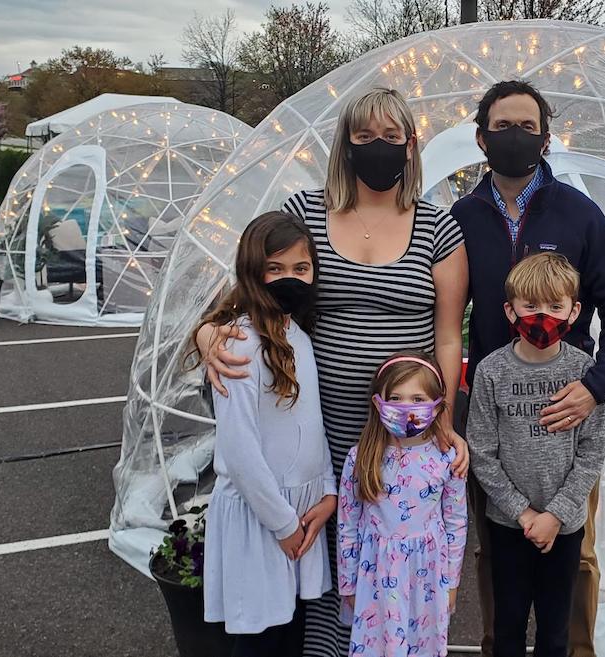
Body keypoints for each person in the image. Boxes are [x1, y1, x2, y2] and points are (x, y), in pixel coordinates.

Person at [194, 87, 470, 657]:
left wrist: (441, 422)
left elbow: (447, 335)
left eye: (391, 137)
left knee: (384, 562)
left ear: (410, 145)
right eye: (363, 137)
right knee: (324, 564)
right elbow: (250, 288)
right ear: (344, 144)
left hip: (399, 432)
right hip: (316, 432)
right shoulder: (304, 211)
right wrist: (204, 334)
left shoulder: (439, 227)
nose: (378, 148)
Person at [451, 80, 605, 657]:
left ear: (546, 138)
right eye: (502, 127)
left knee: (574, 555)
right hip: (497, 412)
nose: (515, 136)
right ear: (482, 138)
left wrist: (595, 384)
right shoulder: (460, 219)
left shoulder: (579, 214)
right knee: (496, 552)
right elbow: (443, 311)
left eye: (527, 127)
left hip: (567, 417)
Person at [199, 211, 338, 657]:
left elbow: (311, 426)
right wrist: (281, 523)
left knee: (288, 634)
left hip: (301, 512)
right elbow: (238, 448)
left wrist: (328, 493)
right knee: (257, 639)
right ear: (252, 271)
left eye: (301, 269)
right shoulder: (239, 342)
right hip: (265, 516)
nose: (289, 279)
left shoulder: (297, 333)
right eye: (274, 269)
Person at [467, 252, 605, 657]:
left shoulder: (585, 373)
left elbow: (591, 452)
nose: (542, 316)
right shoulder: (492, 372)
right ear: (510, 311)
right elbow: (482, 452)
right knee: (507, 626)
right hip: (509, 527)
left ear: (574, 310)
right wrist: (524, 513)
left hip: (564, 530)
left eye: (554, 306)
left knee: (555, 629)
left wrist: (555, 515)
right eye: (530, 306)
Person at [337, 352, 467, 657]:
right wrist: (349, 584)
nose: (406, 407)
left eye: (417, 398)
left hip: (428, 577)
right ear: (378, 403)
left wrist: (451, 582)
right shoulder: (360, 459)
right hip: (376, 577)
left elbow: (456, 522)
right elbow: (348, 525)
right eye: (395, 397)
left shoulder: (448, 459)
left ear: (437, 406)